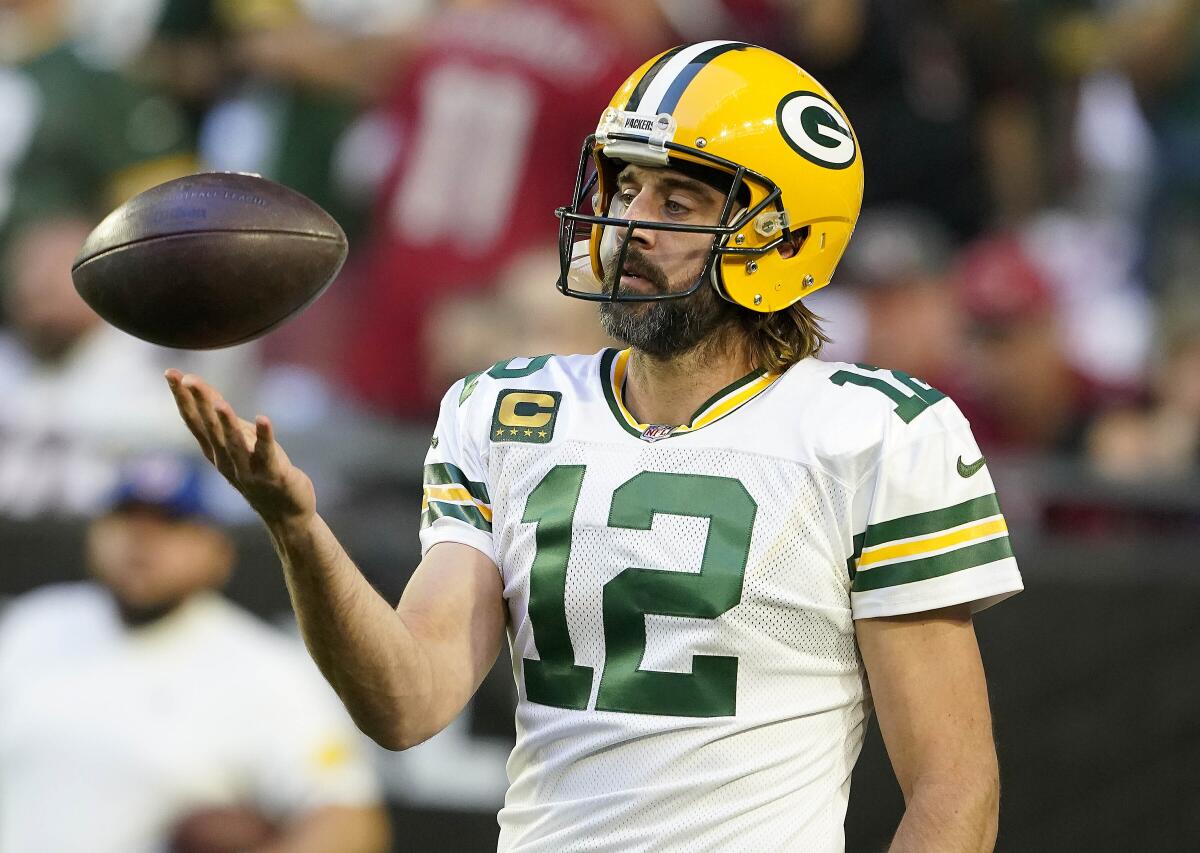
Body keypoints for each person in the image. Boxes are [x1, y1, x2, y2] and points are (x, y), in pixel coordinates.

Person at [166, 43, 1024, 851]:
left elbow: (953, 787)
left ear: (786, 236)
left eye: (676, 202)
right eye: (623, 189)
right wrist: (297, 526)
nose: (627, 225)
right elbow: (406, 699)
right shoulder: (503, 408)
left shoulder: (871, 432)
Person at [0, 455, 390, 853]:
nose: (142, 539)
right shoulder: (33, 625)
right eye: (127, 516)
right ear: (94, 533)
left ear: (219, 553)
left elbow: (350, 823)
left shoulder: (266, 669)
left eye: (171, 523)